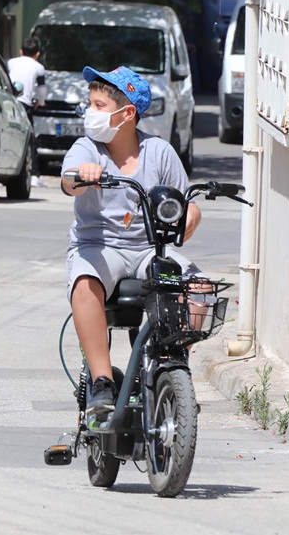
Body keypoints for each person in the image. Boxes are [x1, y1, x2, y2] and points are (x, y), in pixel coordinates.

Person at [60, 66, 201, 419]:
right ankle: (103, 381)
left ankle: (170, 368)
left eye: (99, 104)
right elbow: (67, 180)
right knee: (85, 284)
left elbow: (187, 202)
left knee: (198, 287)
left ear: (127, 114)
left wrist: (191, 216)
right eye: (89, 104)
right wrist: (82, 177)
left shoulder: (160, 152)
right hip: (99, 246)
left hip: (148, 249)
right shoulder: (87, 147)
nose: (90, 112)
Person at [7, 37, 47, 185]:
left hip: (9, 101)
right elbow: (42, 90)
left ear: (21, 51)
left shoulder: (10, 63)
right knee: (30, 140)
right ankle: (34, 175)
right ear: (37, 54)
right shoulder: (39, 67)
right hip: (25, 104)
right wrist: (40, 103)